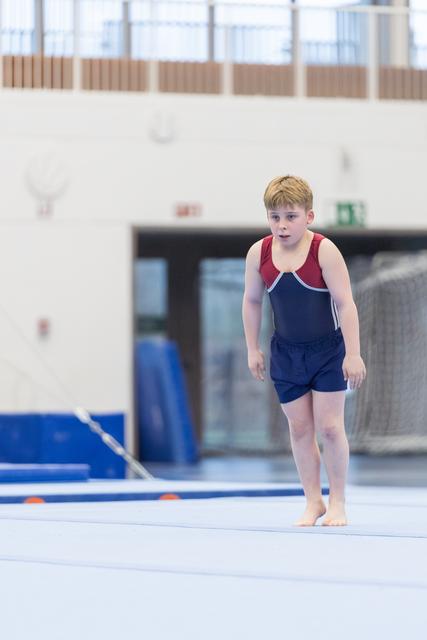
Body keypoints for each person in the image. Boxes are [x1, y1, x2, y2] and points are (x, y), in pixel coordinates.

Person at [242, 175, 366, 526]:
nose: (282, 225)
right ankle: (314, 501)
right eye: (274, 216)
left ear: (309, 216)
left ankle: (338, 501)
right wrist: (252, 349)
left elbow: (346, 304)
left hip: (328, 351)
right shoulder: (259, 253)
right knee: (299, 429)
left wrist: (352, 353)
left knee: (329, 427)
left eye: (291, 216)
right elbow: (251, 301)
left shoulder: (323, 250)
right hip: (286, 353)